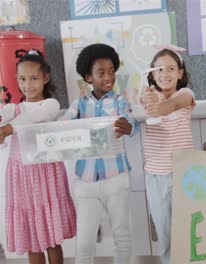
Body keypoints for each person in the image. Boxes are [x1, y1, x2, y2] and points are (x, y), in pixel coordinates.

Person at [60, 43, 137, 264]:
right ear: (88, 77)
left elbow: (131, 124)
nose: (108, 77)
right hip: (86, 182)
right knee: (84, 242)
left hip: (117, 178)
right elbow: (64, 125)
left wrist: (128, 126)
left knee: (122, 235)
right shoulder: (79, 104)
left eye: (112, 71)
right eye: (101, 73)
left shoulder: (121, 101)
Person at [0, 49, 76, 264]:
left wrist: (7, 130)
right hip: (20, 177)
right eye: (22, 79)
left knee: (52, 238)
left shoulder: (50, 105)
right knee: (32, 238)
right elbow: (4, 115)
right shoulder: (12, 109)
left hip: (46, 174)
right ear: (16, 79)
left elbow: (33, 117)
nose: (28, 85)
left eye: (33, 78)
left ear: (45, 78)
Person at [142, 46, 195, 264]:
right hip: (156, 175)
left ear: (180, 73)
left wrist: (159, 109)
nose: (165, 74)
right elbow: (145, 98)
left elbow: (174, 104)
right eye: (160, 69)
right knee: (164, 233)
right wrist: (147, 96)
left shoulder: (186, 94)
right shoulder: (149, 95)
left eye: (171, 68)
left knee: (189, 229)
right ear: (153, 74)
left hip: (184, 174)